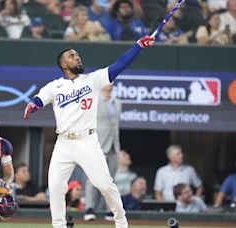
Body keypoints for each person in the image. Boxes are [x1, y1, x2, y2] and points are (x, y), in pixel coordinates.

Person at [23, 34, 155, 227]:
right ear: (64, 65)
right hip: (63, 143)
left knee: (104, 184)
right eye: (72, 55)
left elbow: (119, 65)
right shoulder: (55, 86)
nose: (77, 57)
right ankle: (58, 225)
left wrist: (138, 47)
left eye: (77, 54)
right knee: (56, 187)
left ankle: (121, 222)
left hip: (87, 141)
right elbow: (39, 99)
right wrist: (32, 105)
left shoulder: (92, 80)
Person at [84, 84, 122, 221]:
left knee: (110, 179)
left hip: (113, 146)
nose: (110, 84)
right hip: (97, 144)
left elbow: (114, 125)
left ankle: (110, 210)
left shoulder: (117, 103)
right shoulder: (94, 100)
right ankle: (90, 208)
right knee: (92, 177)